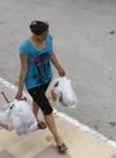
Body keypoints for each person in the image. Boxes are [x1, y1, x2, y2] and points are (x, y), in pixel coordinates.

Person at [16, 20, 68, 154]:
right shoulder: (25, 48)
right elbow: (23, 70)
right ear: (35, 34)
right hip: (33, 84)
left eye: (47, 32)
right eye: (44, 34)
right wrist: (20, 91)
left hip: (46, 78)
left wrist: (59, 67)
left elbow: (50, 53)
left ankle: (33, 118)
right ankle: (58, 139)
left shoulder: (48, 39)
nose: (47, 35)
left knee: (38, 101)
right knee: (47, 109)